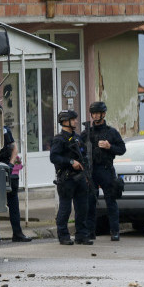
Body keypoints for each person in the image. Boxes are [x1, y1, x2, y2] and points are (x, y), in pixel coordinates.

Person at [80, 101, 126, 241]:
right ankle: (90, 232)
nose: (95, 116)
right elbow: (79, 151)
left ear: (103, 114)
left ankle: (115, 231)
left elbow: (122, 149)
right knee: (90, 202)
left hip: (106, 169)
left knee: (111, 201)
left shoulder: (111, 132)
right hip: (91, 171)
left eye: (97, 113)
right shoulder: (86, 133)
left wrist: (109, 146)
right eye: (93, 113)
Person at [50, 110, 91, 245]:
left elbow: (84, 156)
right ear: (65, 121)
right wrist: (71, 162)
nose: (76, 121)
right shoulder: (59, 139)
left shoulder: (78, 138)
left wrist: (86, 173)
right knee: (65, 208)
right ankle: (63, 235)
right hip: (66, 178)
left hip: (80, 178)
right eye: (73, 119)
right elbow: (54, 157)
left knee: (82, 208)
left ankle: (82, 235)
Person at [0, 123, 32, 242]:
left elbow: (14, 148)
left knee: (13, 201)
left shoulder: (4, 130)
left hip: (7, 167)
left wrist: (11, 164)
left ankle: (17, 233)